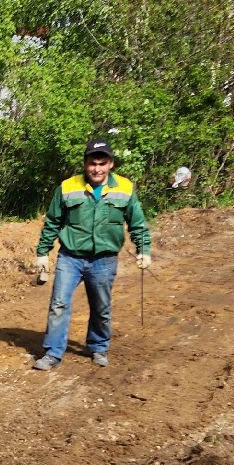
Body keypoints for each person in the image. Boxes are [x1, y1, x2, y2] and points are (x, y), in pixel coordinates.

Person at [32, 140, 151, 370]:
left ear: (110, 164)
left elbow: (137, 222)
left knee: (101, 307)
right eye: (92, 163)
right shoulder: (68, 187)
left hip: (104, 260)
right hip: (70, 257)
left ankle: (98, 347)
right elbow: (53, 221)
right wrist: (43, 252)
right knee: (58, 304)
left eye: (102, 163)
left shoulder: (125, 188)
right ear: (85, 164)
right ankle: (53, 352)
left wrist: (144, 250)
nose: (97, 169)